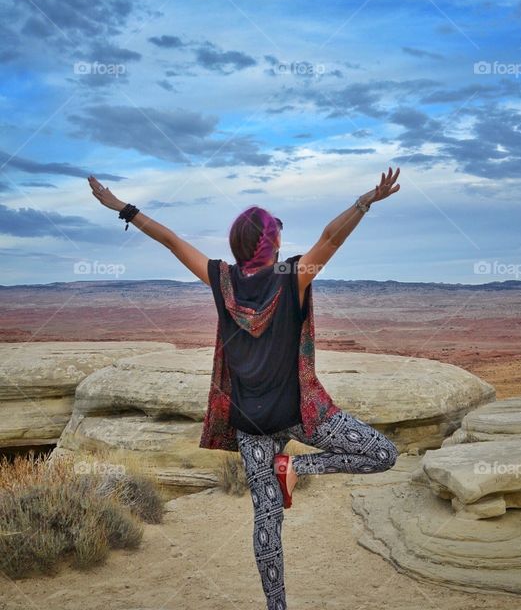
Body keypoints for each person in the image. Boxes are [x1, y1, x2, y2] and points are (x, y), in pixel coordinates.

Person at [88, 167, 402, 610]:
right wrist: (364, 201)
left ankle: (277, 606)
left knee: (266, 518)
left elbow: (172, 241)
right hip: (299, 413)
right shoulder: (294, 276)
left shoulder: (221, 279)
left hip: (250, 425)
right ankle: (296, 469)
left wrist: (123, 207)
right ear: (269, 244)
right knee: (383, 454)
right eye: (278, 230)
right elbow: (332, 239)